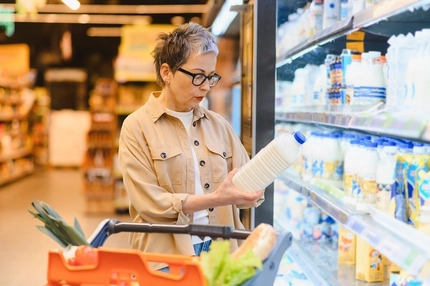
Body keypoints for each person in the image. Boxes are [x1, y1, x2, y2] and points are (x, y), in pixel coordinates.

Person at [118, 22, 265, 271]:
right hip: (166, 258)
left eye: (211, 77)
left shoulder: (220, 126)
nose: (206, 86)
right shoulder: (136, 127)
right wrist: (216, 198)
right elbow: (150, 203)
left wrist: (255, 186)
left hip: (223, 252)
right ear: (167, 72)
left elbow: (244, 190)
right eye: (198, 76)